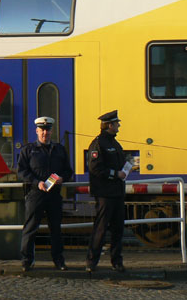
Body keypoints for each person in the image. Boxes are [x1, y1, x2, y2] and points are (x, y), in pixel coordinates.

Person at [17, 116, 74, 272]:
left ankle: (58, 260)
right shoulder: (28, 150)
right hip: (35, 194)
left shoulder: (59, 149)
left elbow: (69, 170)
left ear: (52, 131)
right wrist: (36, 182)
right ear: (36, 131)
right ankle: (27, 260)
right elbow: (21, 172)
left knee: (56, 229)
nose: (45, 133)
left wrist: (63, 178)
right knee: (30, 228)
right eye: (42, 130)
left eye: (47, 130)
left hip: (54, 194)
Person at [85, 110, 133, 273]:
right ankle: (92, 262)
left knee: (118, 229)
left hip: (117, 193)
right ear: (110, 125)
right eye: (117, 123)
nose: (119, 126)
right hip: (105, 194)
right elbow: (95, 167)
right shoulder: (99, 143)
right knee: (101, 228)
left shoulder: (114, 143)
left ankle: (116, 261)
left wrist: (126, 168)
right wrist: (115, 174)